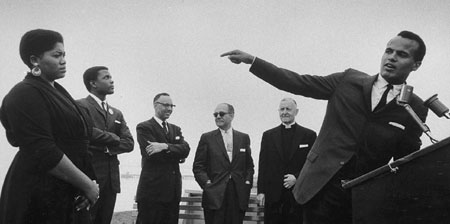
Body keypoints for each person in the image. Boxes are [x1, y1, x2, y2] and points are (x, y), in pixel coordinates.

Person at [221, 30, 428, 223]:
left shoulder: (414, 107)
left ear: (416, 65)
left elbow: (406, 160)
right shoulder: (348, 80)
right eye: (388, 51)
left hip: (362, 200)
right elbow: (296, 82)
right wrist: (253, 61)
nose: (391, 57)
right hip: (318, 190)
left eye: (401, 54)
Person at [0, 29, 99, 223]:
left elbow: (80, 143)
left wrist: (88, 184)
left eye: (64, 55)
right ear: (35, 60)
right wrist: (87, 185)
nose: (63, 60)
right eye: (56, 55)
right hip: (40, 192)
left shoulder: (58, 91)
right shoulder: (24, 93)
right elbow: (42, 150)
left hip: (68, 188)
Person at [76, 66, 134, 224]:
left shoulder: (116, 113)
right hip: (90, 176)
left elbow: (129, 143)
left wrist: (107, 147)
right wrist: (113, 137)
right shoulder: (81, 106)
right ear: (93, 83)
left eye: (111, 77)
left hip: (111, 180)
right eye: (106, 77)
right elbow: (86, 131)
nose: (112, 80)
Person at [257, 98, 316, 224]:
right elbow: (263, 165)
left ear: (296, 112)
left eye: (288, 109)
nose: (284, 112)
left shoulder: (309, 135)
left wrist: (296, 178)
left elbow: (311, 165)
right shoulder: (268, 135)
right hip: (273, 196)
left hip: (297, 195)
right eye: (282, 109)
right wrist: (261, 191)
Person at [193, 103, 255, 224]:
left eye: (221, 114)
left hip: (237, 194)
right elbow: (198, 166)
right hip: (214, 194)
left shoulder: (243, 138)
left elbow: (249, 166)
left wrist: (247, 183)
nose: (218, 117)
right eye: (215, 114)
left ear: (231, 115)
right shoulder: (207, 138)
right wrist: (207, 184)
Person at [135, 93, 190, 224]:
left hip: (172, 193)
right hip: (152, 193)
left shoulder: (176, 129)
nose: (169, 109)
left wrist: (165, 146)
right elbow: (154, 156)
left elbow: (186, 149)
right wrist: (177, 153)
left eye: (172, 106)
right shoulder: (144, 127)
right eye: (166, 105)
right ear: (155, 105)